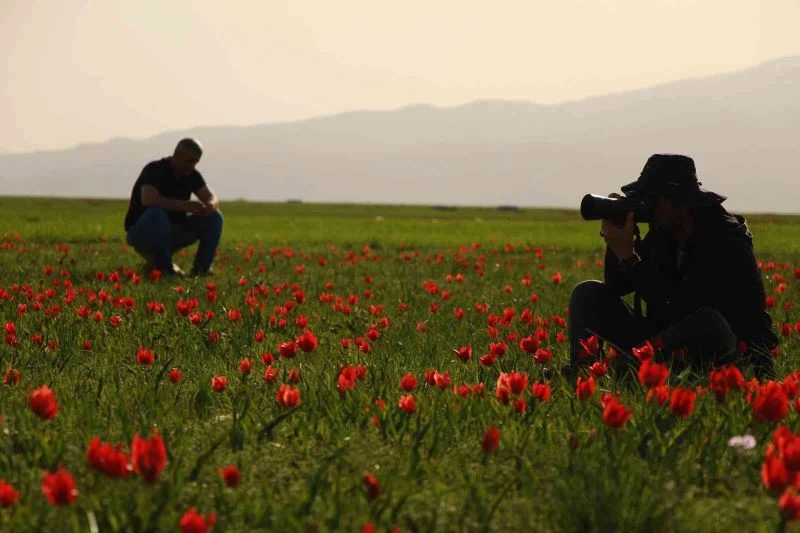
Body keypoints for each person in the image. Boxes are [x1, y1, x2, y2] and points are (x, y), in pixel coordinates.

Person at [567, 154, 778, 377]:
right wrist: (617, 242)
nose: (648, 207)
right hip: (673, 340)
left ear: (680, 202)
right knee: (588, 293)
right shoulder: (665, 233)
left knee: (707, 321)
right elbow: (618, 286)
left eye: (652, 199)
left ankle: (625, 369)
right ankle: (583, 373)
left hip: (733, 356)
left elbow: (680, 308)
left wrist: (630, 258)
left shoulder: (723, 240)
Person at [124, 138, 223, 277]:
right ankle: (165, 269)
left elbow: (211, 196)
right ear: (177, 155)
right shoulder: (155, 169)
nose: (192, 166)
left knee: (215, 217)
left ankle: (202, 269)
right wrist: (184, 206)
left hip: (171, 232)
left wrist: (210, 205)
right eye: (189, 161)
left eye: (196, 162)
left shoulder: (192, 175)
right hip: (143, 231)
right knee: (157, 214)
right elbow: (148, 199)